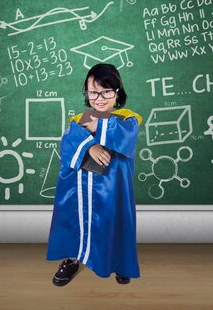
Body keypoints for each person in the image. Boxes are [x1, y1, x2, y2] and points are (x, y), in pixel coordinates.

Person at [47, 63, 142, 286]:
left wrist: (97, 124)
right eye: (93, 92)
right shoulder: (78, 119)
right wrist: (90, 146)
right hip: (79, 188)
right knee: (73, 221)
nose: (99, 97)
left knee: (114, 221)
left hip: (112, 189)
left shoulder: (129, 119)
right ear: (86, 93)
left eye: (106, 91)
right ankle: (72, 260)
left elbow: (125, 139)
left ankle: (121, 262)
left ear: (117, 92)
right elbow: (67, 143)